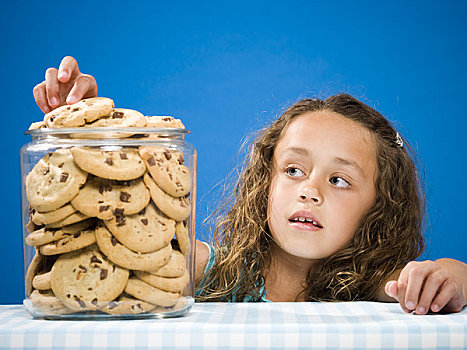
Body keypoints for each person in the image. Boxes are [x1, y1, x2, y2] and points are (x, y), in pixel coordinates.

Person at [34, 56, 467, 315]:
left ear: (379, 206)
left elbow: (445, 279)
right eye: (293, 171)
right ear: (265, 184)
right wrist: (87, 132)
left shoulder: (372, 285)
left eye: (338, 180)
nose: (309, 190)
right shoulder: (213, 272)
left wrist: (444, 278)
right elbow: (111, 236)